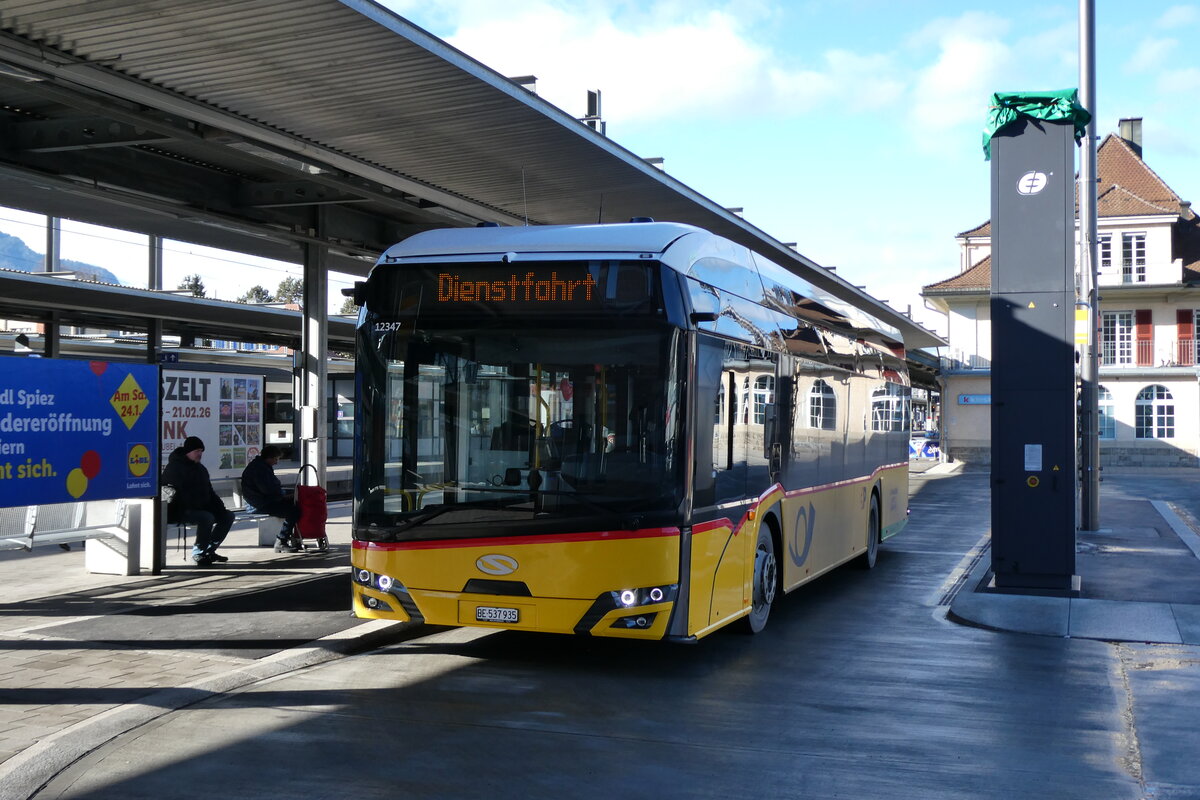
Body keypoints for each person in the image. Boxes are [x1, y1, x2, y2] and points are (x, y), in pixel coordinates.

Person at [161, 436, 235, 566]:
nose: (199, 454)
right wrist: (199, 506)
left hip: (199, 507)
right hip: (180, 510)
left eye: (201, 451)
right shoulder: (174, 468)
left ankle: (209, 551)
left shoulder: (200, 469)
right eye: (196, 451)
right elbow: (174, 493)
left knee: (228, 516)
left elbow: (210, 491)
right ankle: (199, 553)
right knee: (206, 517)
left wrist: (220, 508)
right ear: (188, 452)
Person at [240, 445, 303, 553]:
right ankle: (281, 541)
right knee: (293, 511)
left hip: (261, 501)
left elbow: (270, 489)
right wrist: (283, 496)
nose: (276, 462)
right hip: (260, 504)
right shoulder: (260, 469)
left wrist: (283, 495)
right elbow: (268, 490)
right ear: (269, 457)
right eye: (276, 459)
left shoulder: (260, 466)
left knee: (295, 504)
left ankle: (291, 538)